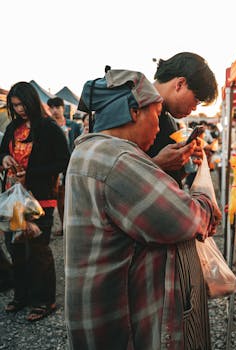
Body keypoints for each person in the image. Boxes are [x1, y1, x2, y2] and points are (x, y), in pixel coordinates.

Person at [65, 69, 221, 349]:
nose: (160, 127)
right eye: (156, 113)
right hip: (120, 317)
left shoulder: (89, 149)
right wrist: (206, 201)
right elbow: (182, 219)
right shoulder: (115, 158)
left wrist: (158, 165)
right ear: (134, 112)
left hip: (101, 306)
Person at [1, 82, 70, 321]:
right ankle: (22, 296)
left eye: (21, 104)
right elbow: (2, 152)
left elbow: (63, 160)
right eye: (15, 105)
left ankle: (44, 301)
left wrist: (30, 174)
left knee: (38, 248)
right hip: (15, 198)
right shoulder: (13, 127)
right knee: (16, 246)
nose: (19, 109)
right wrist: (6, 158)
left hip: (41, 198)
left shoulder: (48, 128)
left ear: (31, 101)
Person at [147, 52, 218, 188]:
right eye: (196, 101)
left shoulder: (168, 118)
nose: (195, 109)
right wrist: (158, 163)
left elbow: (169, 179)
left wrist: (185, 163)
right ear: (180, 84)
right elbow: (111, 177)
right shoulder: (133, 108)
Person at [47, 96, 82, 236]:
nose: (55, 110)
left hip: (73, 165)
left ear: (63, 108)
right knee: (60, 198)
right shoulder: (48, 125)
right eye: (52, 108)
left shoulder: (73, 125)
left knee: (75, 197)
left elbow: (80, 143)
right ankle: (63, 225)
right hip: (56, 167)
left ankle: (75, 226)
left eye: (57, 107)